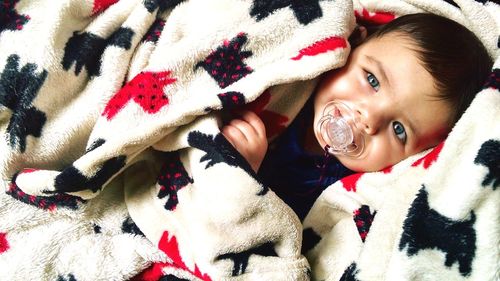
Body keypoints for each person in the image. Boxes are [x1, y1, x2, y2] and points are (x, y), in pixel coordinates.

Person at [221, 13, 493, 220]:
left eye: (399, 130)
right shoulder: (289, 92)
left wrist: (245, 176)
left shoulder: (354, 196)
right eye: (372, 80)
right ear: (354, 43)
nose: (368, 119)